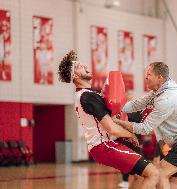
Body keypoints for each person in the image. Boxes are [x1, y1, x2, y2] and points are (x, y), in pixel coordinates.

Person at [57, 50, 159, 189]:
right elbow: (110, 127)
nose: (85, 65)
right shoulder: (88, 96)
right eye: (80, 66)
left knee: (140, 175)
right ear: (75, 76)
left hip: (102, 146)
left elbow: (110, 119)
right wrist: (131, 134)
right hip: (104, 146)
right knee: (153, 173)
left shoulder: (86, 95)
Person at [113, 62, 177, 189]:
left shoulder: (167, 99)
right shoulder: (158, 92)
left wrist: (118, 122)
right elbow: (135, 105)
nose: (146, 77)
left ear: (160, 77)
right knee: (174, 183)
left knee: (158, 174)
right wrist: (112, 108)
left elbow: (145, 128)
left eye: (149, 74)